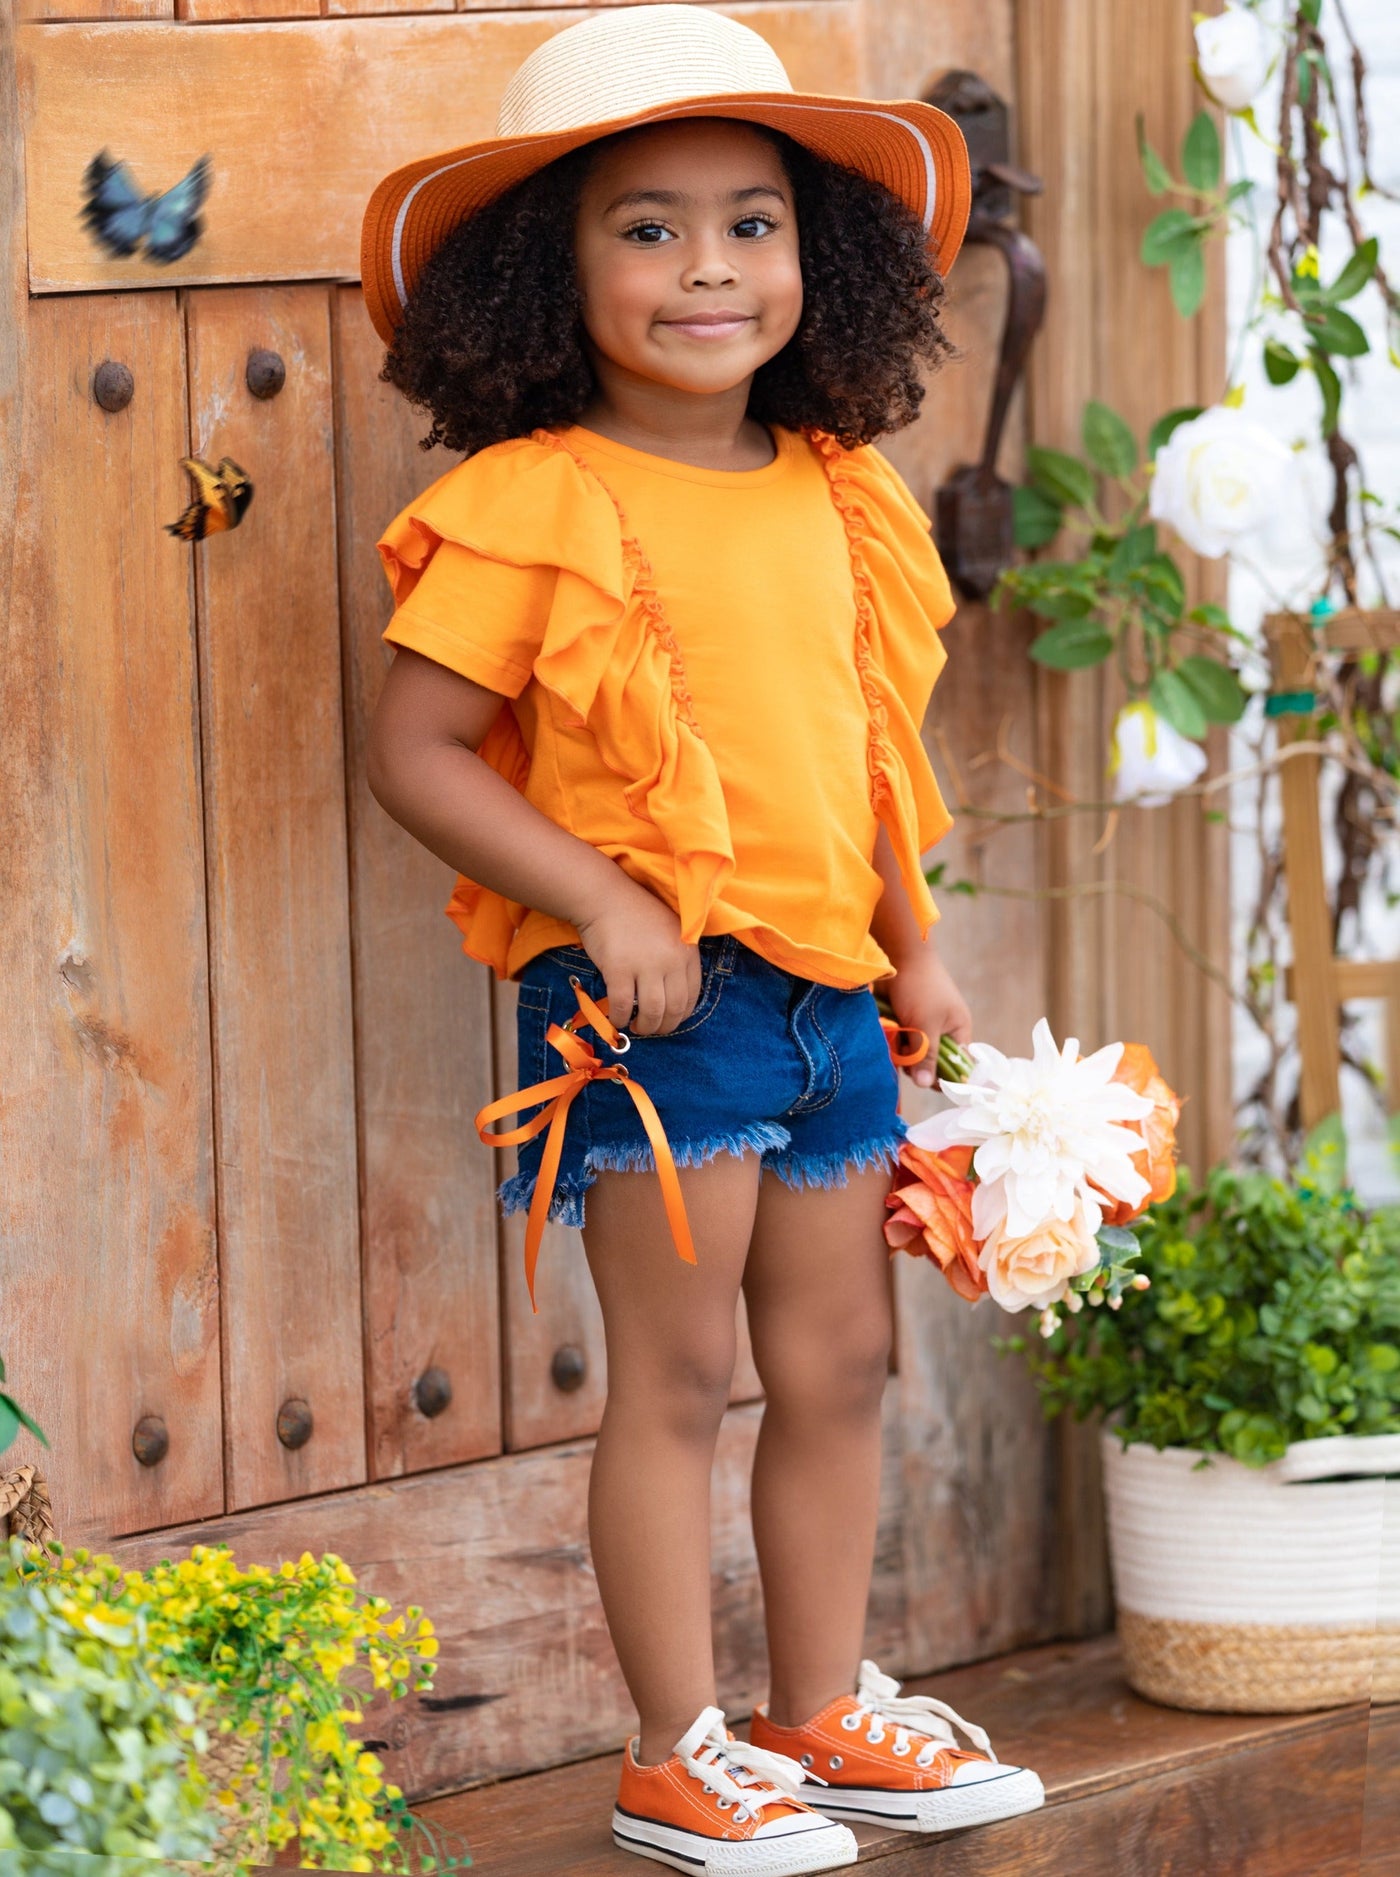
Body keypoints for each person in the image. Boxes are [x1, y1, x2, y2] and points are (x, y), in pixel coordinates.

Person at [361, 8, 1044, 1871]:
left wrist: (922, 947)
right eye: (646, 228)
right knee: (673, 1378)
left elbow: (869, 752)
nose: (708, 268)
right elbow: (414, 750)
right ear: (545, 266)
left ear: (814, 256)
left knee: (838, 1366)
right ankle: (677, 1748)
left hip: (833, 996)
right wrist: (599, 896)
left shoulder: (841, 487)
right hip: (659, 1007)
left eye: (751, 221)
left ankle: (818, 1708)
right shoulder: (537, 500)